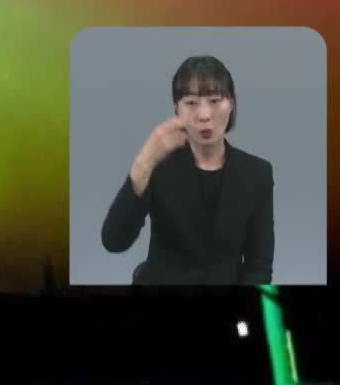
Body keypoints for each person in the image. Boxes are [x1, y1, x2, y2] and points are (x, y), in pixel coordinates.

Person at [100, 55, 273, 284]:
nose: (204, 115)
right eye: (191, 103)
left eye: (215, 100)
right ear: (176, 109)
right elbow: (114, 242)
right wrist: (145, 161)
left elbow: (258, 267)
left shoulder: (257, 173)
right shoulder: (157, 165)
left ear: (231, 103)